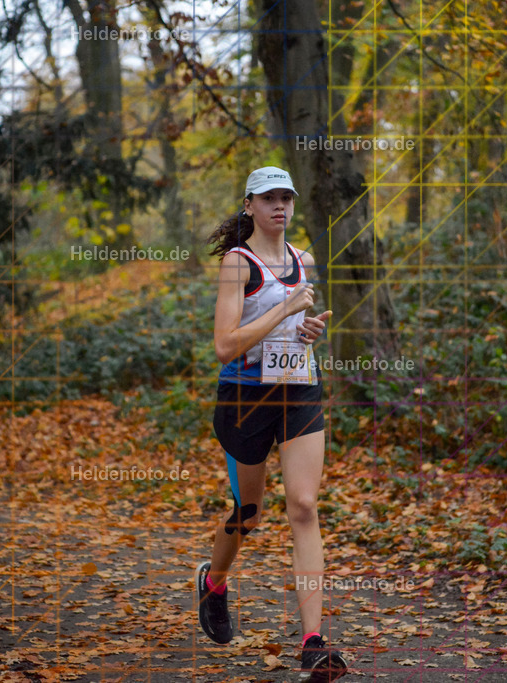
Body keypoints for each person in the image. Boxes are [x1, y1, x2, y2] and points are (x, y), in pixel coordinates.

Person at [195, 167, 348, 681]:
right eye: (269, 198)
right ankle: (214, 583)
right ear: (249, 206)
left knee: (303, 505)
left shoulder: (303, 261)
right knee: (250, 510)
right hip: (245, 399)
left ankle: (313, 643)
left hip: (299, 391)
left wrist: (306, 329)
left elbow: (290, 329)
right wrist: (285, 307)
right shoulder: (238, 264)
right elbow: (224, 344)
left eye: (286, 197)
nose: (279, 206)